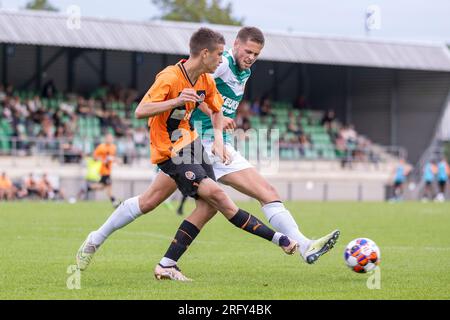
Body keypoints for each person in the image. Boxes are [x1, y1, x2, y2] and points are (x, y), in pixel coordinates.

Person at [76, 27, 339, 280]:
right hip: (184, 144)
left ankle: (303, 246)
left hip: (212, 145)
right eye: (247, 51)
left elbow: (210, 101)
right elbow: (190, 94)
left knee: (254, 195)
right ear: (233, 46)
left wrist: (218, 133)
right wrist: (198, 114)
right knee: (152, 202)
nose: (251, 57)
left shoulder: (241, 71)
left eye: (256, 54)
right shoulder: (217, 64)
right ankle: (97, 238)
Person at [93, 133, 120, 207]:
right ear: (105, 139)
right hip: (103, 170)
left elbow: (113, 157)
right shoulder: (101, 147)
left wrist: (117, 160)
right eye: (108, 138)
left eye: (111, 138)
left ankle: (88, 187)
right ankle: (115, 202)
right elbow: (95, 157)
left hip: (108, 170)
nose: (110, 140)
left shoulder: (113, 147)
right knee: (109, 187)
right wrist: (101, 159)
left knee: (101, 187)